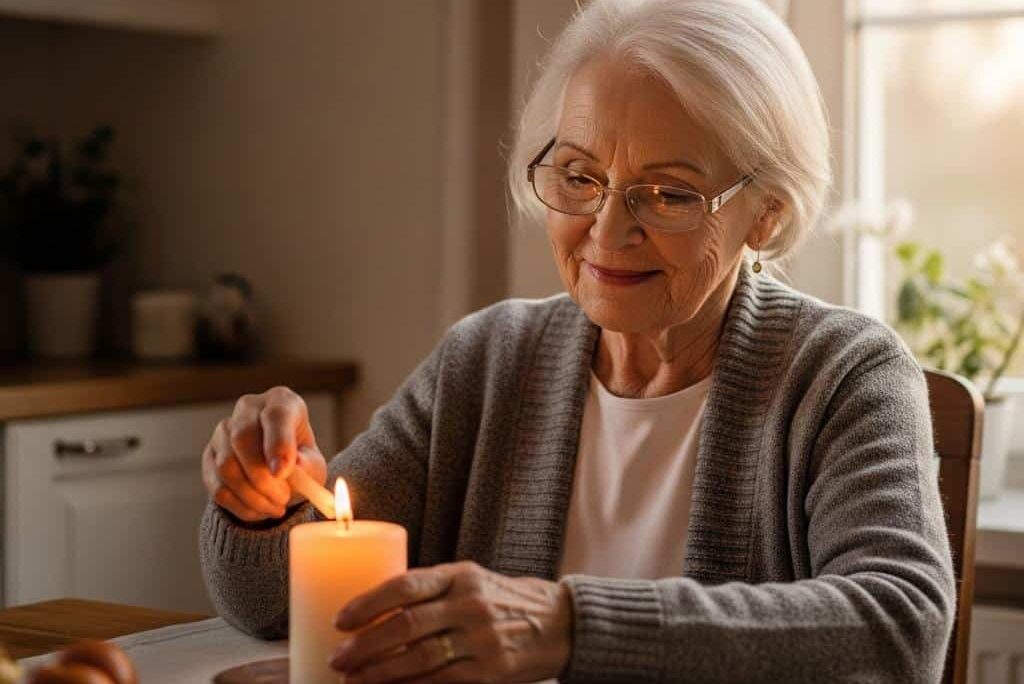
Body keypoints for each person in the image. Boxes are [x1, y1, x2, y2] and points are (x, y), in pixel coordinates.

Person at [199, 0, 956, 681]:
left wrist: (568, 628)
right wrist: (262, 506)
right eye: (579, 175)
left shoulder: (845, 374)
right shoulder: (488, 361)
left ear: (765, 214)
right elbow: (270, 604)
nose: (606, 229)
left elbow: (901, 628)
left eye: (667, 194)